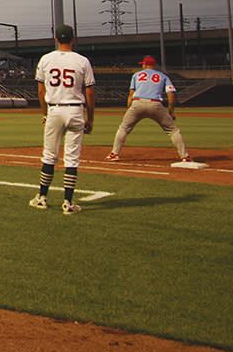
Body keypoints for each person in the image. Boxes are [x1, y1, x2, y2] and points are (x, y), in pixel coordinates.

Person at [30, 25, 95, 214]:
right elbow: (90, 93)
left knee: (49, 156)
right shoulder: (83, 61)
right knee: (72, 159)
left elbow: (41, 91)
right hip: (75, 110)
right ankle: (68, 202)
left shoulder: (46, 59)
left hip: (55, 109)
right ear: (73, 39)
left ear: (56, 39)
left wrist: (45, 113)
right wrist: (89, 118)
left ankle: (42, 197)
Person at [106, 56, 190, 162]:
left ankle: (114, 154)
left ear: (144, 65)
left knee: (123, 128)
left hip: (137, 103)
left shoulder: (136, 75)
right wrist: (171, 111)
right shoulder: (163, 76)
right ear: (153, 65)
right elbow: (171, 93)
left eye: (142, 64)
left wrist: (129, 108)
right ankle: (184, 156)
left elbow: (131, 95)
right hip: (155, 104)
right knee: (173, 131)